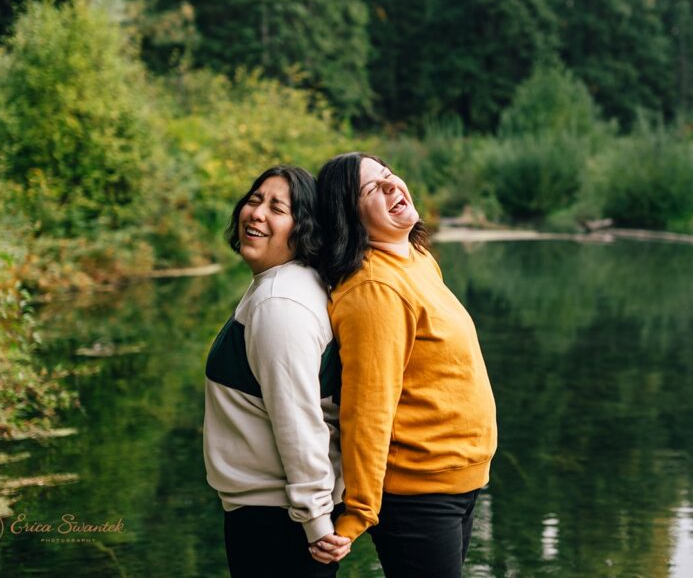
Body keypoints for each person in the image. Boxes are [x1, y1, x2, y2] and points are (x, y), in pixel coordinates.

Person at [310, 152, 498, 577]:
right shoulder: (374, 289)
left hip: (458, 480)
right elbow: (367, 408)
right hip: (419, 493)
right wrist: (360, 509)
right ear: (349, 216)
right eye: (373, 188)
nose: (393, 186)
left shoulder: (416, 258)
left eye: (390, 175)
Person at [203, 165, 351, 577]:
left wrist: (316, 522)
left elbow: (298, 420)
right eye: (254, 199)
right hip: (276, 515)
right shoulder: (284, 285)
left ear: (302, 229)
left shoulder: (279, 304)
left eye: (277, 208)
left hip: (279, 523)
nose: (256, 213)